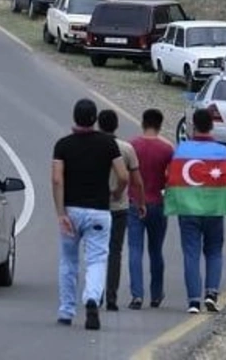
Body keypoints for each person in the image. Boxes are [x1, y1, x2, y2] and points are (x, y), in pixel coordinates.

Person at [52, 98, 130, 331]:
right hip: (99, 210)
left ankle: (66, 310)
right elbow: (124, 176)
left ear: (74, 117)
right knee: (96, 259)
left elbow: (57, 179)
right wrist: (116, 193)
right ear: (94, 119)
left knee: (69, 260)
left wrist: (60, 212)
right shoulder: (108, 144)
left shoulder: (63, 145)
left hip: (72, 211)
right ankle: (92, 298)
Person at [165, 108, 226, 314]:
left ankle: (193, 301)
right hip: (214, 209)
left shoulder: (182, 150)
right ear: (212, 126)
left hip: (188, 209)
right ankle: (211, 294)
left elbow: (171, 177)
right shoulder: (223, 151)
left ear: (193, 126)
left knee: (191, 253)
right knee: (214, 251)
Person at [128, 108, 175, 310]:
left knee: (134, 250)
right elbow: (171, 178)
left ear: (143, 122)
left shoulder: (132, 146)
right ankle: (156, 294)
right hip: (158, 202)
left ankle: (137, 295)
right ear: (160, 125)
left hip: (135, 202)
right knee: (156, 250)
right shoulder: (167, 149)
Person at [98, 110, 144, 312]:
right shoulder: (127, 149)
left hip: (96, 205)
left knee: (96, 252)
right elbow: (136, 180)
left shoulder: (93, 146)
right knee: (115, 252)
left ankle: (95, 292)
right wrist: (140, 202)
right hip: (119, 207)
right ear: (116, 126)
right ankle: (112, 297)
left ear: (99, 124)